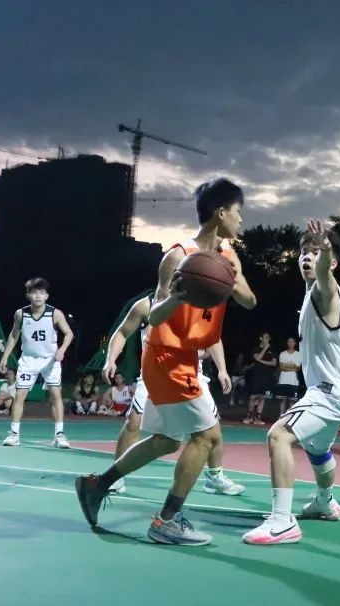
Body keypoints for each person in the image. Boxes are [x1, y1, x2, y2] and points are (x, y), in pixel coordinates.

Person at [75, 177, 256, 546]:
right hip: (166, 356)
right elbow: (155, 316)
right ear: (220, 212)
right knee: (207, 436)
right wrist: (176, 297)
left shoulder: (228, 256)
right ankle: (167, 520)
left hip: (187, 357)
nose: (241, 220)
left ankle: (97, 485)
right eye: (238, 212)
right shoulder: (178, 256)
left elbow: (250, 301)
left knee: (165, 441)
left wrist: (233, 281)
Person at [242, 221, 340, 545]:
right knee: (318, 451)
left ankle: (282, 522)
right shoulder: (312, 296)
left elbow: (325, 276)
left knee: (279, 436)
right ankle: (326, 502)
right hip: (338, 391)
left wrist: (324, 252)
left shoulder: (326, 292)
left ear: (331, 262)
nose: (307, 257)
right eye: (303, 252)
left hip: (329, 393)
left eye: (315, 252)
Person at [99, 294, 244, 496]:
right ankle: (116, 476)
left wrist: (222, 369)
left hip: (191, 374)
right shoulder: (146, 305)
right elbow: (122, 332)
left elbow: (213, 338)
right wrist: (111, 360)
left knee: (212, 427)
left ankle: (214, 476)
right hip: (155, 372)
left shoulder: (200, 302)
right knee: (134, 421)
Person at [0, 277, 75, 448]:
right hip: (28, 359)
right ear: (28, 295)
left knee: (55, 394)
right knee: (20, 395)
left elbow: (69, 334)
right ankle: (14, 434)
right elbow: (14, 335)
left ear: (47, 296)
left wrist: (62, 350)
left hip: (50, 359)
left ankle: (59, 435)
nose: (38, 296)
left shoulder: (55, 313)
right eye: (34, 293)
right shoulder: (21, 314)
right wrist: (5, 356)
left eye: (42, 293)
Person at [244, 332, 276, 425]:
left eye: (268, 338)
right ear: (261, 338)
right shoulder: (256, 349)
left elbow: (274, 363)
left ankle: (258, 418)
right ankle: (250, 416)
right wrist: (265, 348)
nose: (267, 339)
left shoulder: (272, 350)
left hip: (266, 377)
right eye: (265, 337)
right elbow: (257, 357)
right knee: (253, 397)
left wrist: (261, 361)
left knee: (262, 397)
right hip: (255, 376)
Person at [275, 337, 302, 417]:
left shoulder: (299, 354)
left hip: (294, 381)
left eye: (292, 342)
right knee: (282, 400)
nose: (290, 343)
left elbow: (297, 368)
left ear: (295, 343)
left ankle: (289, 417)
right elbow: (281, 367)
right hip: (283, 380)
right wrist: (291, 367)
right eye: (289, 341)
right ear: (287, 343)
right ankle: (281, 415)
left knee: (292, 401)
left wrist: (286, 366)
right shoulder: (282, 354)